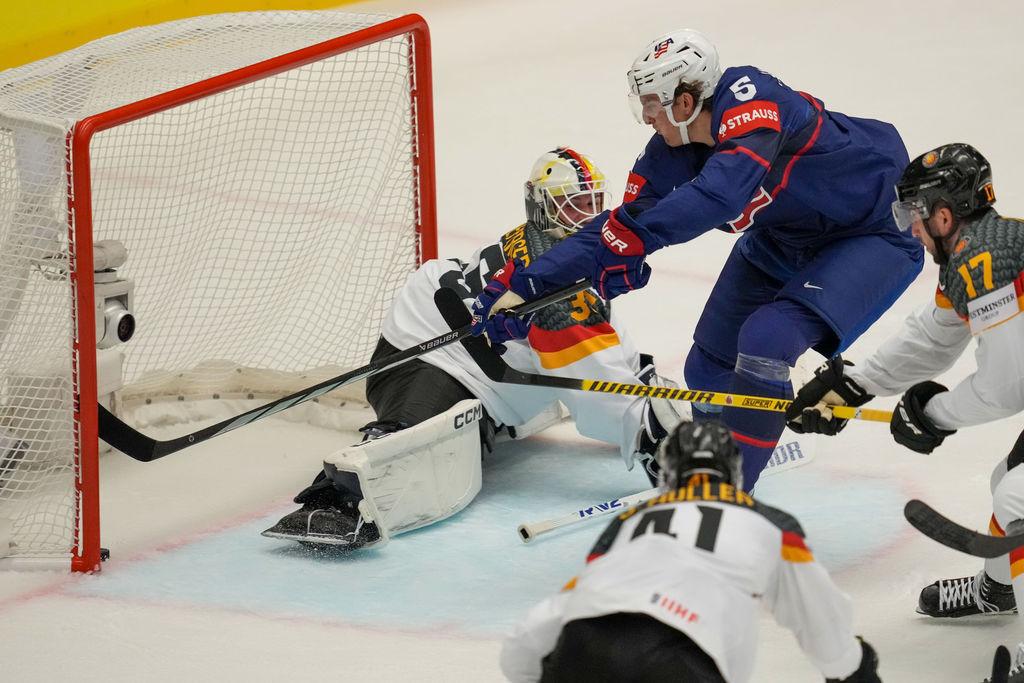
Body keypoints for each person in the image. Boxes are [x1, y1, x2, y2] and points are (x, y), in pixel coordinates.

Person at [470, 29, 923, 492]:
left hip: (875, 233)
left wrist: (635, 240)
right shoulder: (672, 149)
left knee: (766, 340)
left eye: (651, 103)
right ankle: (707, 469)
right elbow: (618, 226)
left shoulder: (754, 101)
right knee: (707, 366)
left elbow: (718, 198)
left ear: (685, 102)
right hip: (788, 236)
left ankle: (722, 502)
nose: (645, 117)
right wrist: (527, 285)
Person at [262, 147, 683, 548]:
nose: (587, 216)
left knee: (562, 381)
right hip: (428, 352)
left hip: (476, 348)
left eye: (593, 203)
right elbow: (599, 394)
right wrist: (650, 433)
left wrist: (643, 389)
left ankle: (497, 418)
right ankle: (338, 499)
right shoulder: (558, 292)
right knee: (418, 437)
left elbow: (602, 341)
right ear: (542, 207)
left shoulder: (555, 249)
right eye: (572, 205)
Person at [783, 144, 1024, 679]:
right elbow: (935, 341)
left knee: (1017, 496)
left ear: (943, 215)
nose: (910, 229)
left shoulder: (986, 261)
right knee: (1011, 477)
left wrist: (935, 414)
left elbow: (1008, 387)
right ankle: (997, 590)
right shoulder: (981, 249)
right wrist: (854, 385)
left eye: (913, 215)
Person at [500, 421, 881, 683]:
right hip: (684, 658)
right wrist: (851, 664)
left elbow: (529, 639)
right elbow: (817, 615)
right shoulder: (770, 522)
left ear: (666, 475)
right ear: (734, 473)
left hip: (584, 647)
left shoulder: (628, 522)